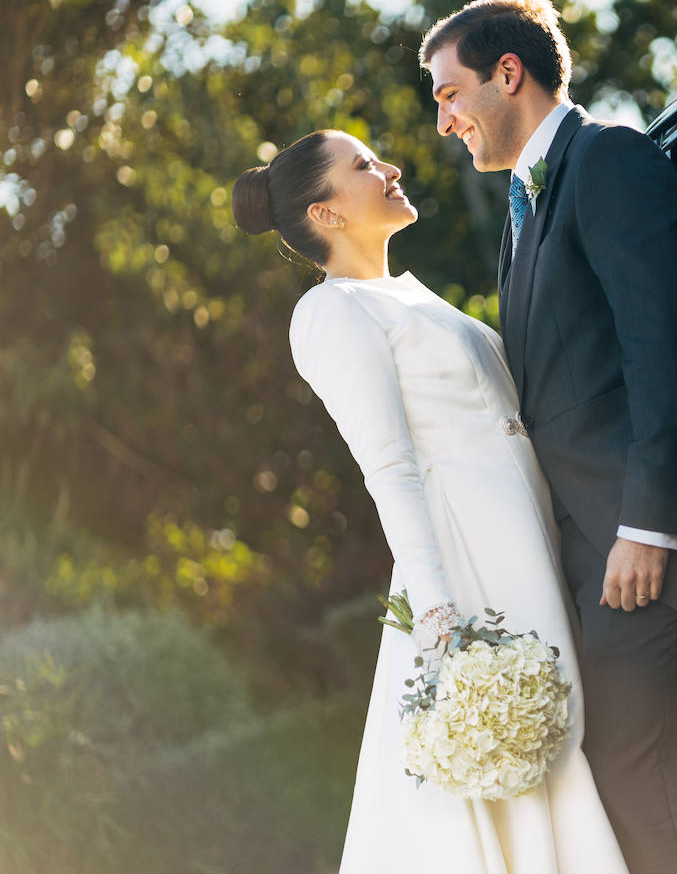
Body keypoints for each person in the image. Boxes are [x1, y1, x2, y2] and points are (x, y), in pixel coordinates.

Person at [420, 0, 677, 874]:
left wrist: (647, 527)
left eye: (448, 94)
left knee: (640, 791)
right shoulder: (524, 210)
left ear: (507, 74)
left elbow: (665, 351)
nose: (443, 122)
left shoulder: (609, 161)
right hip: (605, 558)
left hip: (657, 561)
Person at [231, 129, 629, 874]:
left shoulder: (406, 295)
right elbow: (389, 466)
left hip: (529, 529)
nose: (389, 169)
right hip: (474, 557)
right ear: (327, 214)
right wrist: (440, 616)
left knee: (575, 740)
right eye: (364, 166)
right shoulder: (331, 314)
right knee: (537, 750)